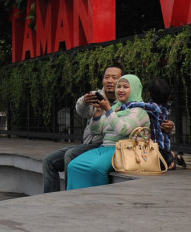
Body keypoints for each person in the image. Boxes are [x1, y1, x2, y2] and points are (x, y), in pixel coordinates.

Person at [41, 63, 123, 193]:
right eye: (106, 77)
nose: (109, 81)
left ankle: (71, 195)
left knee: (70, 155)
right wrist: (84, 100)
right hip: (89, 144)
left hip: (106, 146)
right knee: (49, 161)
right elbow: (82, 111)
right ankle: (51, 198)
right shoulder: (97, 96)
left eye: (114, 77)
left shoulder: (125, 100)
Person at [65, 74, 150, 190]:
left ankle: (101, 200)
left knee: (97, 168)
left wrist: (108, 109)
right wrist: (98, 112)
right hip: (104, 148)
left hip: (123, 150)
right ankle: (77, 199)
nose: (120, 90)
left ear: (135, 89)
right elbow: (96, 131)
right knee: (73, 165)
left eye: (125, 87)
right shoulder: (115, 108)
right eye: (119, 87)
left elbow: (122, 129)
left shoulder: (139, 111)